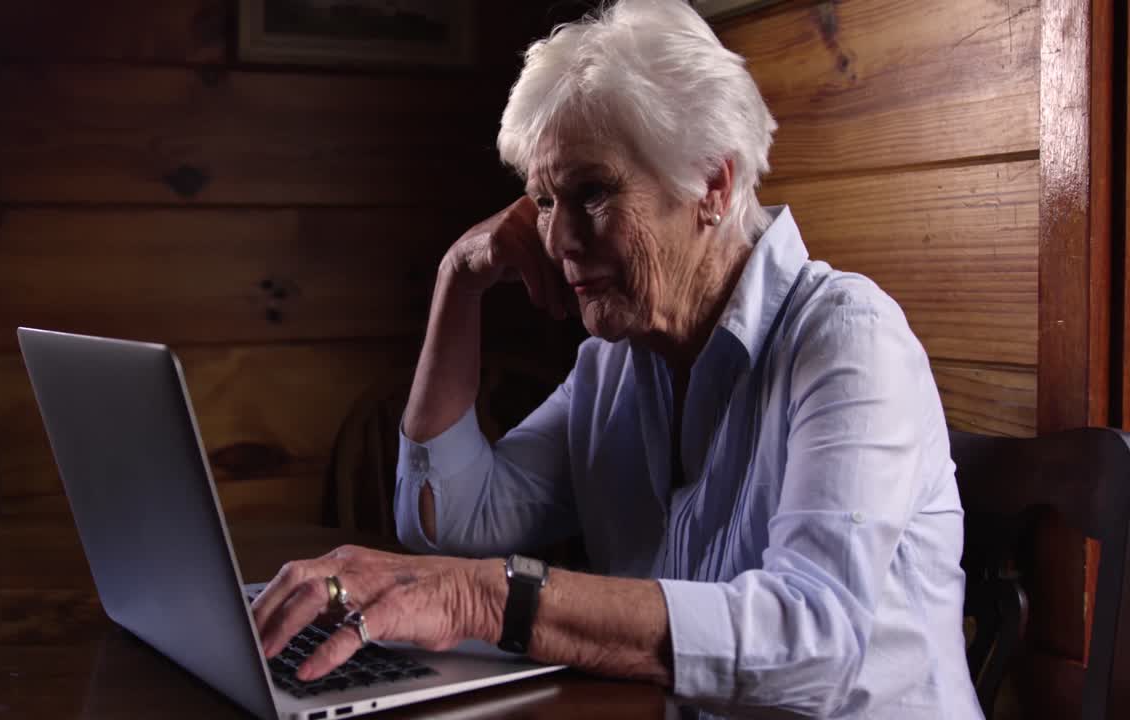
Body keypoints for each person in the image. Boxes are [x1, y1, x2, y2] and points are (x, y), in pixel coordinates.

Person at [251, 0, 982, 716]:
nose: (558, 239)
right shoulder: (615, 367)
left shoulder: (848, 339)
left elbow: (812, 638)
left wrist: (485, 596)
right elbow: (448, 519)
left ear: (711, 185)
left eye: (591, 192)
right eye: (541, 201)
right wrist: (459, 282)